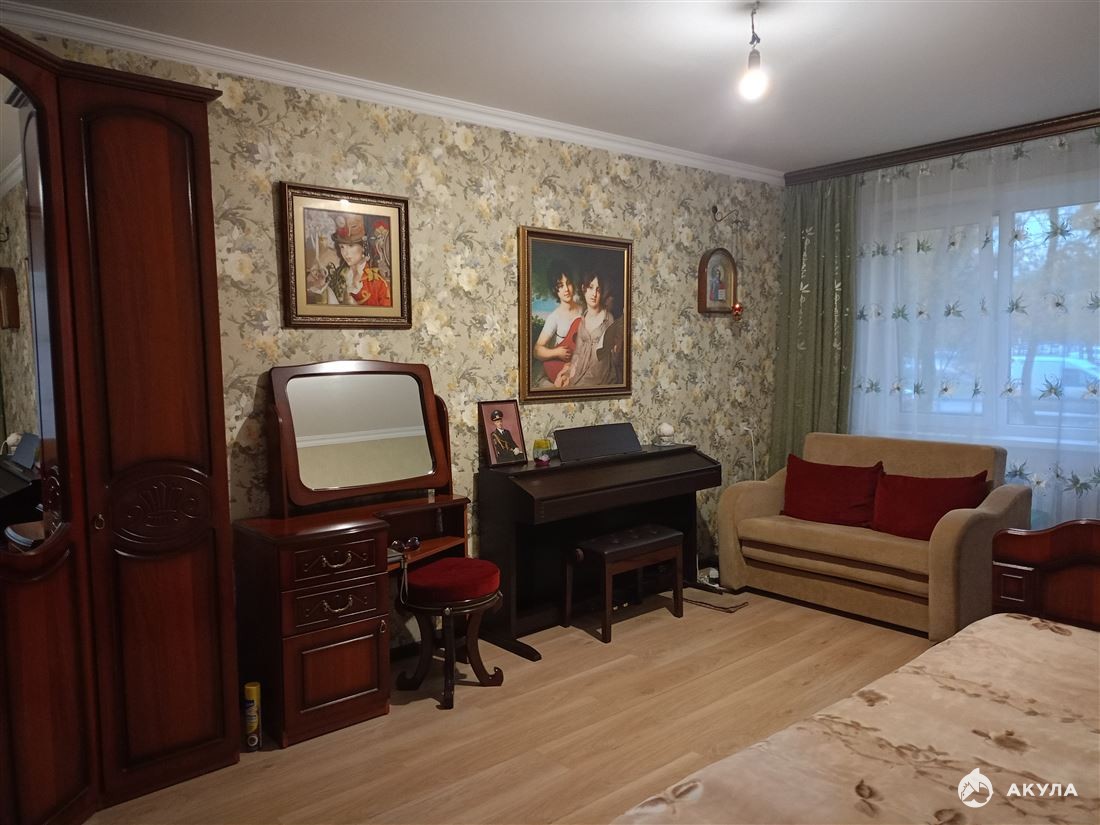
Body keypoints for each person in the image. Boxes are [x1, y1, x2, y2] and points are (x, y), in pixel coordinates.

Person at [555, 271, 616, 389]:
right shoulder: (583, 319)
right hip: (580, 372)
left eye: (598, 290)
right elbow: (577, 354)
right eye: (591, 288)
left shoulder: (608, 319)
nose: (594, 294)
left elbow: (606, 362)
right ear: (584, 289)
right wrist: (568, 374)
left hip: (599, 376)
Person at [533, 262, 582, 384]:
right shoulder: (554, 317)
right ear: (555, 290)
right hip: (560, 366)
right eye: (560, 285)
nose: (566, 289)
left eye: (568, 283)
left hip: (580, 363)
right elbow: (537, 350)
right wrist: (557, 352)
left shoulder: (583, 309)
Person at [331, 214, 391, 307]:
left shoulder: (378, 282)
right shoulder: (338, 275)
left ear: (363, 247)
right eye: (342, 247)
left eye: (351, 246)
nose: (346, 253)